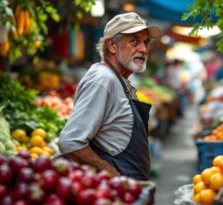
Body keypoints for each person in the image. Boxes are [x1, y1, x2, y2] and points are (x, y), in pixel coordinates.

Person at [57, 12, 162, 180]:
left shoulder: (118, 80)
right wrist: (111, 174)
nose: (143, 49)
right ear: (112, 45)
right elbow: (70, 142)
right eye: (134, 41)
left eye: (146, 42)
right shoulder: (103, 80)